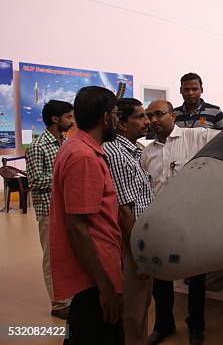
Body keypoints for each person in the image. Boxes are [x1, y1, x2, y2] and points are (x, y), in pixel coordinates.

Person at [49, 86, 123, 344]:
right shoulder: (83, 157)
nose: (118, 120)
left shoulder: (79, 148)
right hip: (93, 278)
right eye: (116, 113)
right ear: (105, 117)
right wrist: (105, 287)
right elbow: (77, 227)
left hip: (96, 272)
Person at [142, 100, 218, 345]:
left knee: (195, 277)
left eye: (159, 114)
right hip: (160, 224)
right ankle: (164, 324)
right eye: (149, 115)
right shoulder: (147, 152)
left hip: (190, 222)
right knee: (160, 275)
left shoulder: (194, 137)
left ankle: (196, 326)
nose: (153, 120)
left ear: (173, 116)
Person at [103, 98, 154, 345]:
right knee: (132, 309)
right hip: (132, 243)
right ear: (122, 124)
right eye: (141, 117)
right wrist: (139, 254)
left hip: (141, 237)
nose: (148, 122)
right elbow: (124, 210)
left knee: (142, 303)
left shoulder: (135, 151)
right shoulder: (116, 154)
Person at [26, 100, 75, 320]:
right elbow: (35, 181)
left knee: (68, 256)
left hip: (65, 208)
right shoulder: (38, 146)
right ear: (56, 119)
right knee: (52, 257)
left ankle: (70, 296)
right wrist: (63, 176)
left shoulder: (64, 142)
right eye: (69, 117)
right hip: (48, 210)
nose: (72, 121)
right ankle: (58, 303)